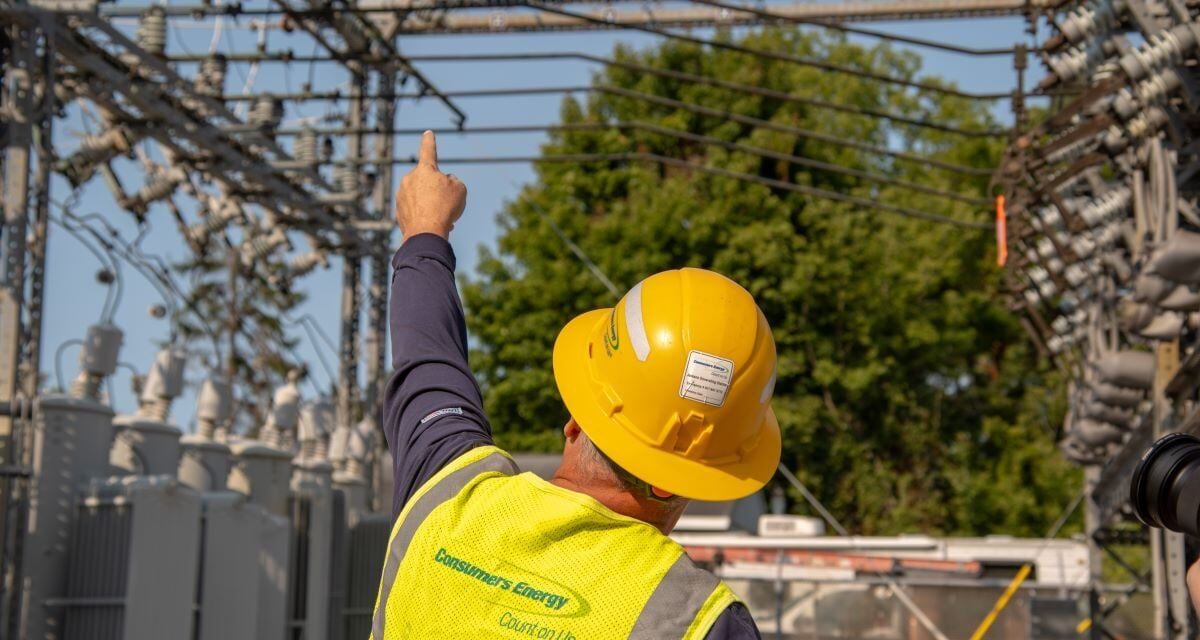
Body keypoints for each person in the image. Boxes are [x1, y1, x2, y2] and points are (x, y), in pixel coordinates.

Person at [370, 131, 781, 639]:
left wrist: (425, 231)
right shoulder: (694, 621)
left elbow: (428, 361)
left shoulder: (448, 498)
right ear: (677, 481)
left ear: (576, 421)